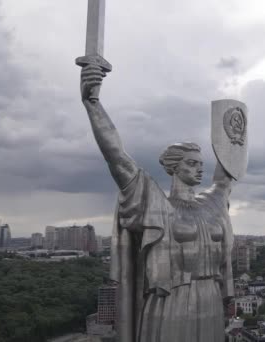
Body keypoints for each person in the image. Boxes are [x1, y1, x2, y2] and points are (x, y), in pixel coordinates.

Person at [80, 64, 234, 342]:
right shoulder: (157, 205)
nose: (199, 170)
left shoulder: (212, 204)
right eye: (191, 164)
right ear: (174, 167)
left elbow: (227, 175)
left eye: (201, 164)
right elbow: (117, 158)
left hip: (210, 298)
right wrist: (92, 103)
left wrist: (232, 126)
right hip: (171, 301)